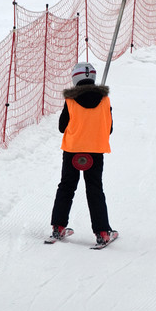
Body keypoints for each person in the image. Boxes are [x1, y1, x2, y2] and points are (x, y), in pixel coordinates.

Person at [49, 62, 117, 247]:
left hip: (72, 150)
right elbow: (109, 128)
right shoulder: (105, 100)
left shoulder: (70, 100)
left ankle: (58, 226)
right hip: (95, 151)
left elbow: (62, 127)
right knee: (94, 188)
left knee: (66, 187)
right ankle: (102, 232)